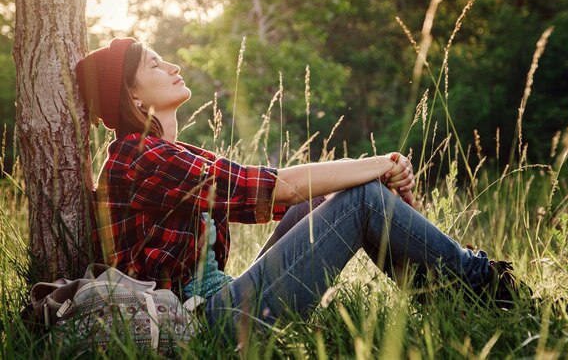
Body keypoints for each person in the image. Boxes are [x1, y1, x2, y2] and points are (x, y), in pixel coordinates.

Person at [76, 37, 522, 340]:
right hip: (209, 324)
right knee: (359, 200)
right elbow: (275, 188)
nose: (172, 65)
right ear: (133, 97)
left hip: (219, 304)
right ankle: (488, 287)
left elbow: (288, 194)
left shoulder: (165, 153)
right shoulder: (138, 157)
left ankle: (454, 300)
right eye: (154, 64)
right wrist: (377, 166)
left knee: (330, 199)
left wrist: (373, 170)